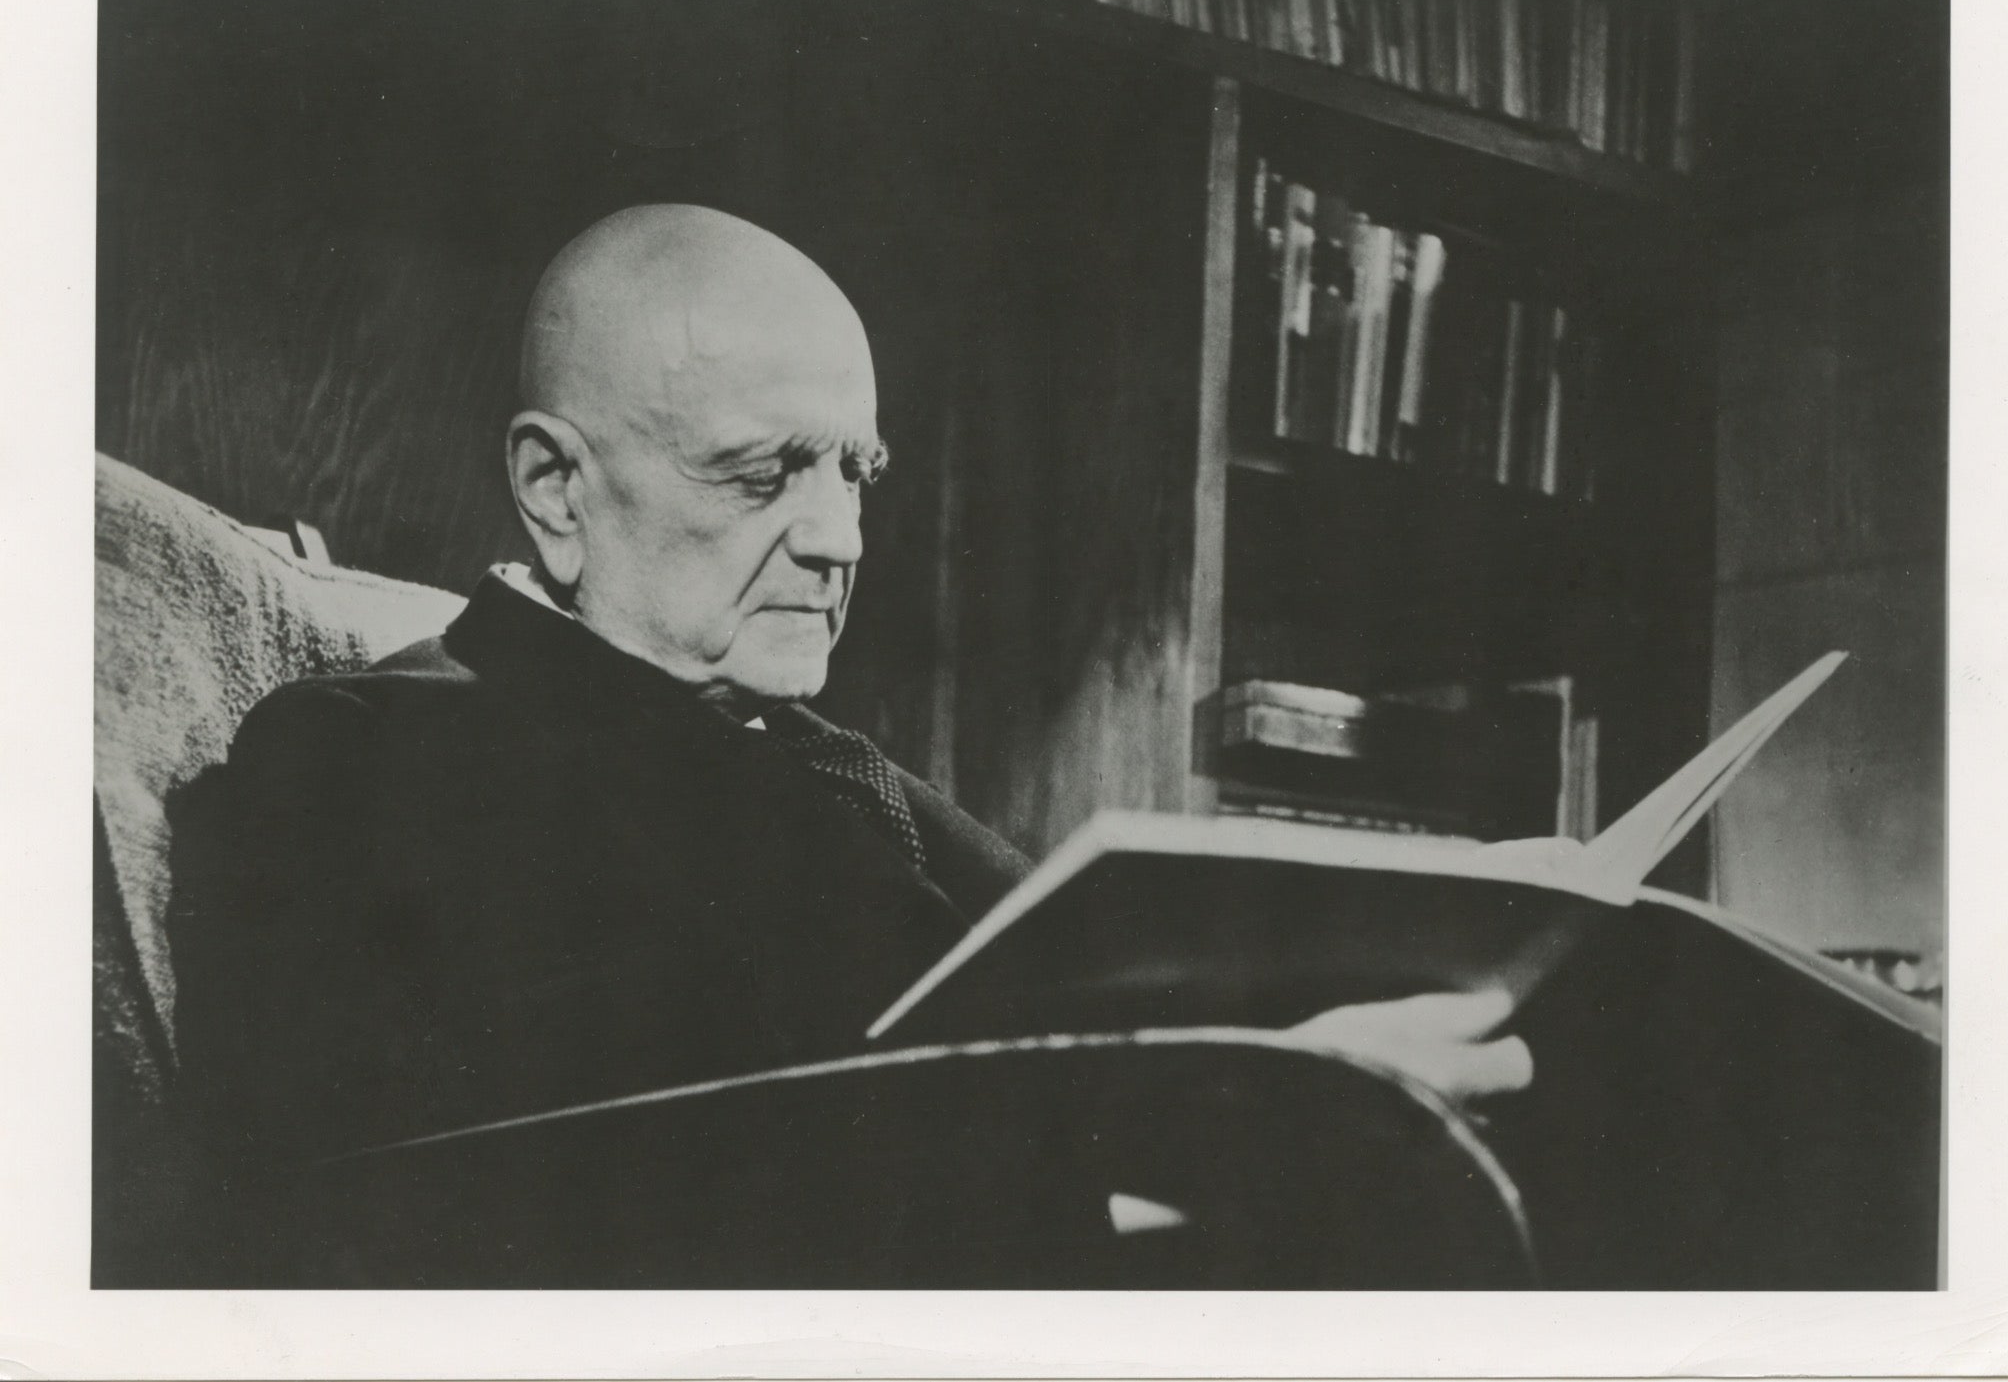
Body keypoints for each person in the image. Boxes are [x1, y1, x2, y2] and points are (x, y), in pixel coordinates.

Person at [171, 204, 1528, 1187]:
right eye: (763, 474)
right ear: (557, 489)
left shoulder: (822, 760)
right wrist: (1243, 1133)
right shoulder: (361, 766)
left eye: (856, 472)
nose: (839, 541)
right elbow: (487, 1218)